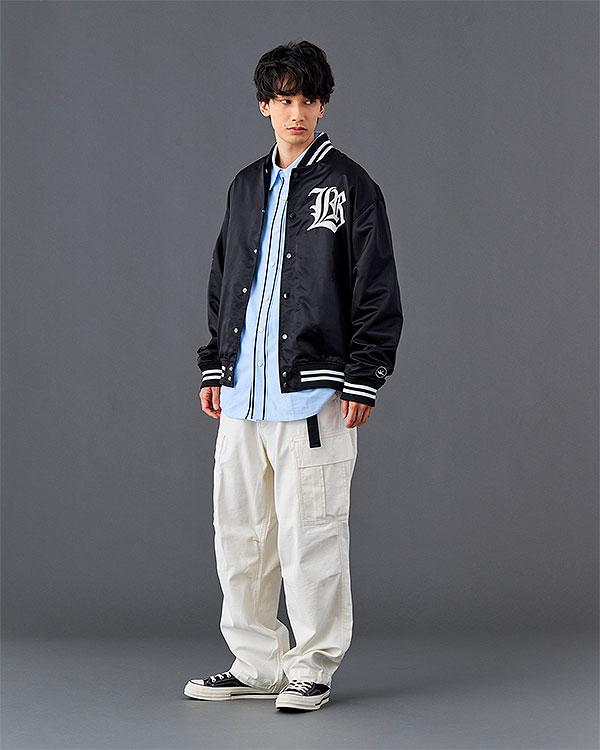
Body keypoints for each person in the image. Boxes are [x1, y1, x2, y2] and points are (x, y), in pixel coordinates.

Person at [184, 40, 403, 712]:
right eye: (284, 100)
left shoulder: (351, 185)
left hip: (313, 397)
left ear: (323, 105)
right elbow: (225, 279)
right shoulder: (246, 185)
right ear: (264, 106)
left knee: (312, 536)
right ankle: (256, 663)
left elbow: (376, 285)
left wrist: (364, 375)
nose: (296, 112)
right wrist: (216, 364)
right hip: (243, 398)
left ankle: (312, 666)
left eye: (307, 99)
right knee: (241, 537)